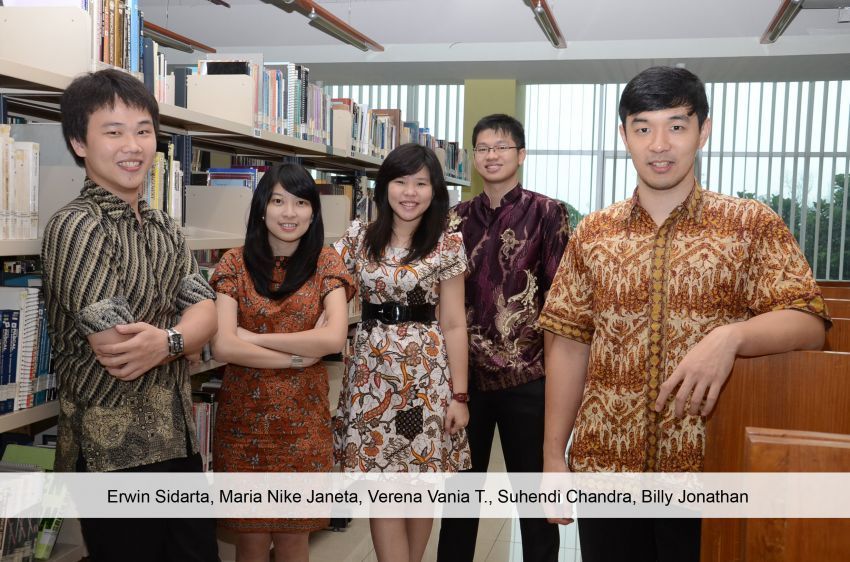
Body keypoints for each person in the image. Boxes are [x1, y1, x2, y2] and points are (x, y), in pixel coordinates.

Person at [539, 66, 830, 562]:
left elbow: (809, 322)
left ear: (704, 131)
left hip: (707, 468)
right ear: (623, 135)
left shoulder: (749, 224)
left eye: (677, 125)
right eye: (643, 127)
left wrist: (731, 337)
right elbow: (569, 344)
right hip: (606, 467)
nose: (659, 144)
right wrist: (551, 457)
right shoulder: (593, 233)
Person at [41, 68, 219, 561]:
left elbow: (209, 312)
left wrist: (167, 341)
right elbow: (118, 350)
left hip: (178, 439)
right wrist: (183, 334)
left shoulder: (164, 226)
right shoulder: (74, 227)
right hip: (110, 455)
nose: (133, 145)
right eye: (113, 131)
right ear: (80, 142)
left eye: (143, 130)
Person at [437, 114, 568, 562]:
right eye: (484, 148)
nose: (492, 155)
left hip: (527, 380)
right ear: (474, 158)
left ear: (521, 154)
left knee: (534, 502)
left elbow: (559, 303)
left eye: (502, 147)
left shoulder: (548, 213)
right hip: (464, 382)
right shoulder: (454, 219)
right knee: (460, 501)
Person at [209, 163, 354, 562]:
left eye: (300, 202)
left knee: (293, 540)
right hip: (243, 427)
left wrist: (254, 338)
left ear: (313, 212)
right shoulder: (233, 264)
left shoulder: (327, 262)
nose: (289, 213)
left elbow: (332, 337)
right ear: (261, 208)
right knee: (251, 541)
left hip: (303, 427)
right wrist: (296, 357)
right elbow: (223, 346)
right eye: (278, 201)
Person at [334, 143, 471, 562]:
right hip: (372, 376)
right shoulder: (358, 236)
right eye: (400, 181)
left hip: (426, 379)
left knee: (419, 485)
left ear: (435, 191)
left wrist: (460, 395)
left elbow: (453, 322)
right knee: (384, 485)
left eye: (421, 183)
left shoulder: (447, 243)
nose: (409, 192)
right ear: (384, 187)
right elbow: (329, 291)